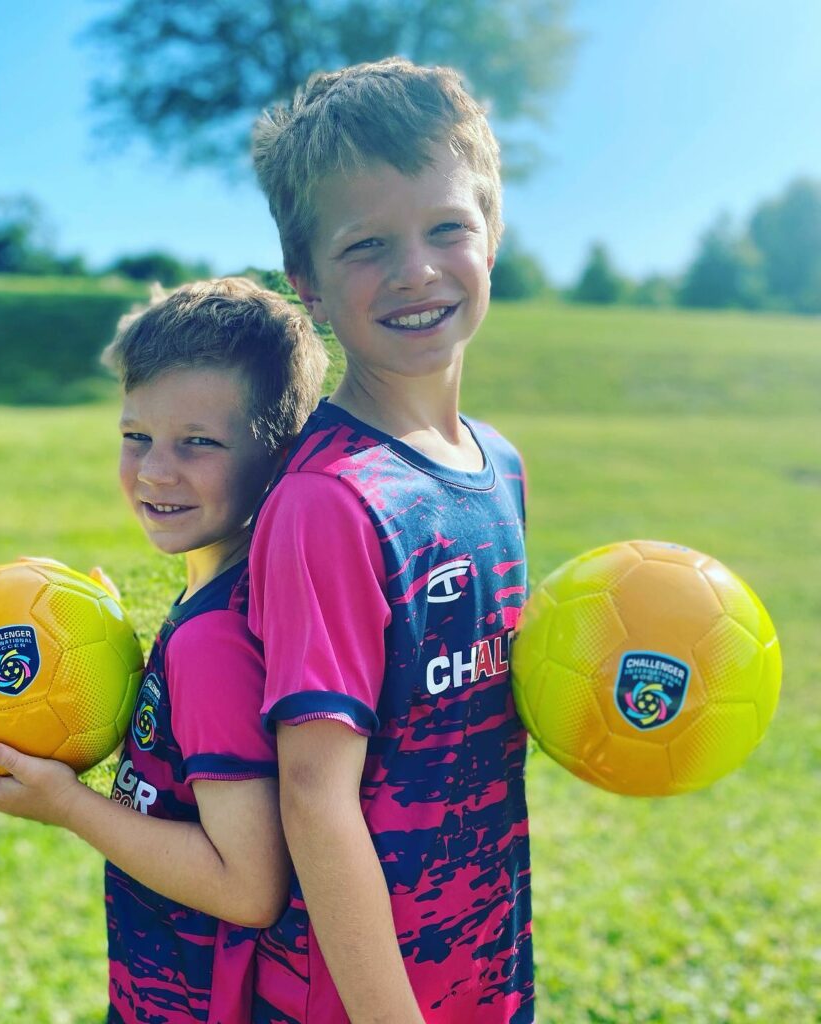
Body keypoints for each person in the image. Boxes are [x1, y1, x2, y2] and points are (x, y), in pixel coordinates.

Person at [0, 277, 328, 1024]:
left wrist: (67, 806)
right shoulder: (220, 601)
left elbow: (248, 887)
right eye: (136, 436)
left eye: (198, 443)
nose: (154, 470)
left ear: (277, 454)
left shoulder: (213, 642)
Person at [247, 58, 534, 1023]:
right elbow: (314, 798)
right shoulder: (328, 502)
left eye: (447, 227)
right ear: (308, 283)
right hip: (363, 996)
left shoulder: (499, 464)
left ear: (491, 236)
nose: (416, 270)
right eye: (366, 244)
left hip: (487, 963)